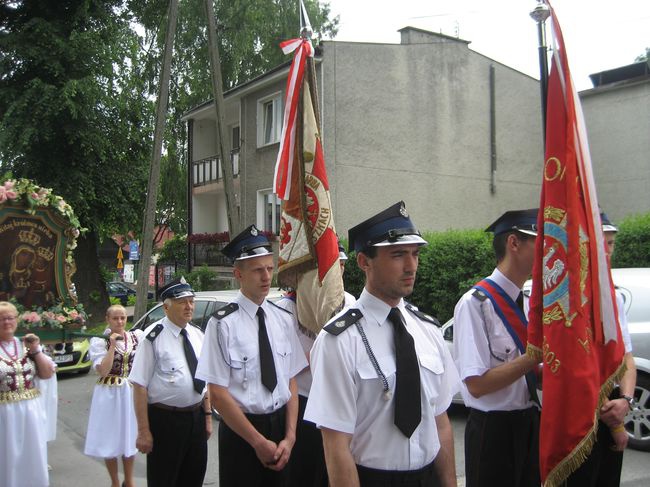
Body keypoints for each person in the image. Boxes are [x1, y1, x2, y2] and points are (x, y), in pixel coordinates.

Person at [305, 201, 460, 487]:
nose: (411, 265)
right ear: (365, 262)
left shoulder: (428, 330)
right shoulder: (339, 340)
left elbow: (441, 423)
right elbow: (336, 444)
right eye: (398, 255)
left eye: (415, 254)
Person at [196, 224, 308, 487]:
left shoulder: (282, 319)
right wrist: (257, 442)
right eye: (258, 270)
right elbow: (218, 393)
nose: (266, 277)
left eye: (270, 269)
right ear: (239, 274)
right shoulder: (222, 324)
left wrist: (290, 436)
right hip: (242, 433)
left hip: (282, 429)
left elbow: (290, 379)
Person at [452, 208, 541, 487]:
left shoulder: (533, 301)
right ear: (514, 243)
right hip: (494, 430)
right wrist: (533, 358)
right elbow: (476, 384)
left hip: (532, 421)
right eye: (539, 244)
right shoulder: (475, 304)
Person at [563, 212, 637, 487]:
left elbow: (625, 357)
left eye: (612, 243)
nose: (607, 250)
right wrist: (616, 424)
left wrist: (625, 402)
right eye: (601, 242)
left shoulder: (613, 297)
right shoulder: (566, 300)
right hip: (578, 416)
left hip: (610, 409)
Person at [281, 242, 356, 487]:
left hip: (340, 398)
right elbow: (287, 361)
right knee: (304, 471)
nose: (339, 273)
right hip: (304, 400)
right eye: (334, 266)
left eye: (342, 266)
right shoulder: (289, 306)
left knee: (335, 469)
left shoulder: (350, 302)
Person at [129, 277, 211, 487]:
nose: (189, 306)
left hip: (196, 417)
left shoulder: (197, 335)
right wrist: (143, 431)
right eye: (183, 302)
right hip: (166, 420)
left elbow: (205, 381)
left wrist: (208, 418)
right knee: (164, 479)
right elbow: (139, 385)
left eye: (191, 301)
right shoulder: (153, 337)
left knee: (194, 477)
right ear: (166, 307)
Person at [84, 304, 144, 487]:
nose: (119, 322)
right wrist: (111, 345)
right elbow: (103, 370)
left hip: (130, 392)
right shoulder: (99, 341)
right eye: (115, 318)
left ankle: (130, 480)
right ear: (107, 319)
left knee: (130, 435)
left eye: (123, 318)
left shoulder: (136, 336)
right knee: (110, 437)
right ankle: (115, 482)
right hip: (109, 393)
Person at [0, 300, 54, 487]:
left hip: (31, 410)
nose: (7, 322)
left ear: (17, 320)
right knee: (8, 457)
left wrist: (37, 350)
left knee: (33, 453)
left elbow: (46, 374)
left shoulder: (27, 346)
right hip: (4, 413)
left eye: (10, 318)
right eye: (1, 319)